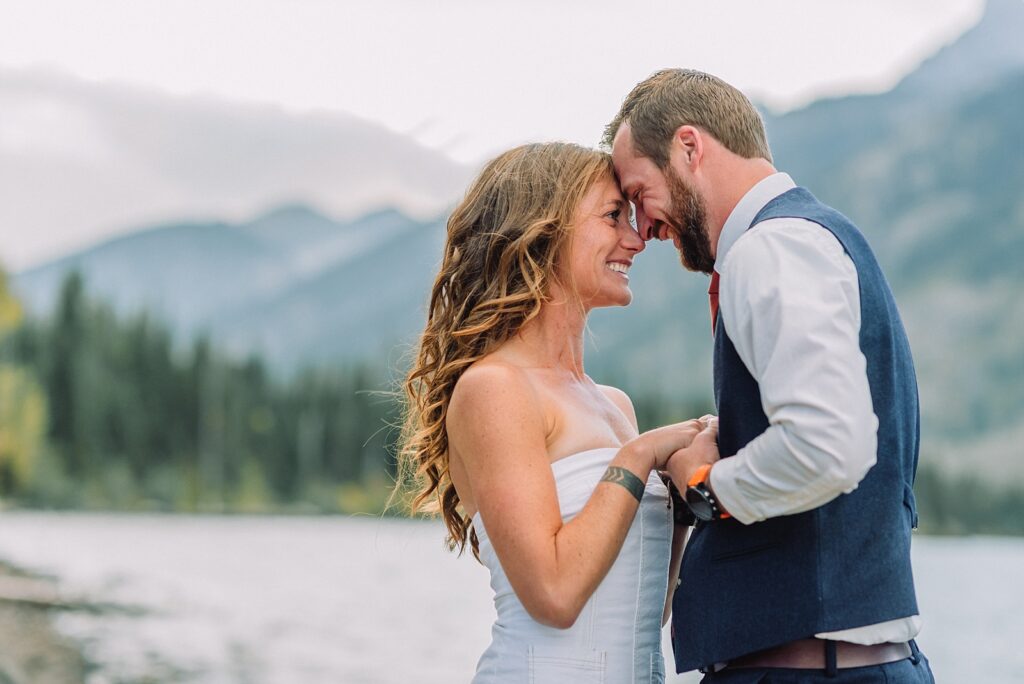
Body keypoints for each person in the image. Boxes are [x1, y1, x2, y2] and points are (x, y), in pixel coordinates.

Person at [604, 68, 935, 683]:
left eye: (638, 191)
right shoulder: (808, 237)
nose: (643, 228)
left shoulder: (771, 248)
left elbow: (828, 445)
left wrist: (703, 485)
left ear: (688, 147)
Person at [398, 141, 717, 682]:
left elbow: (644, 606)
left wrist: (681, 493)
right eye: (614, 216)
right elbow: (555, 594)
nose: (637, 239)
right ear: (544, 233)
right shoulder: (493, 388)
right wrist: (642, 456)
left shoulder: (615, 404)